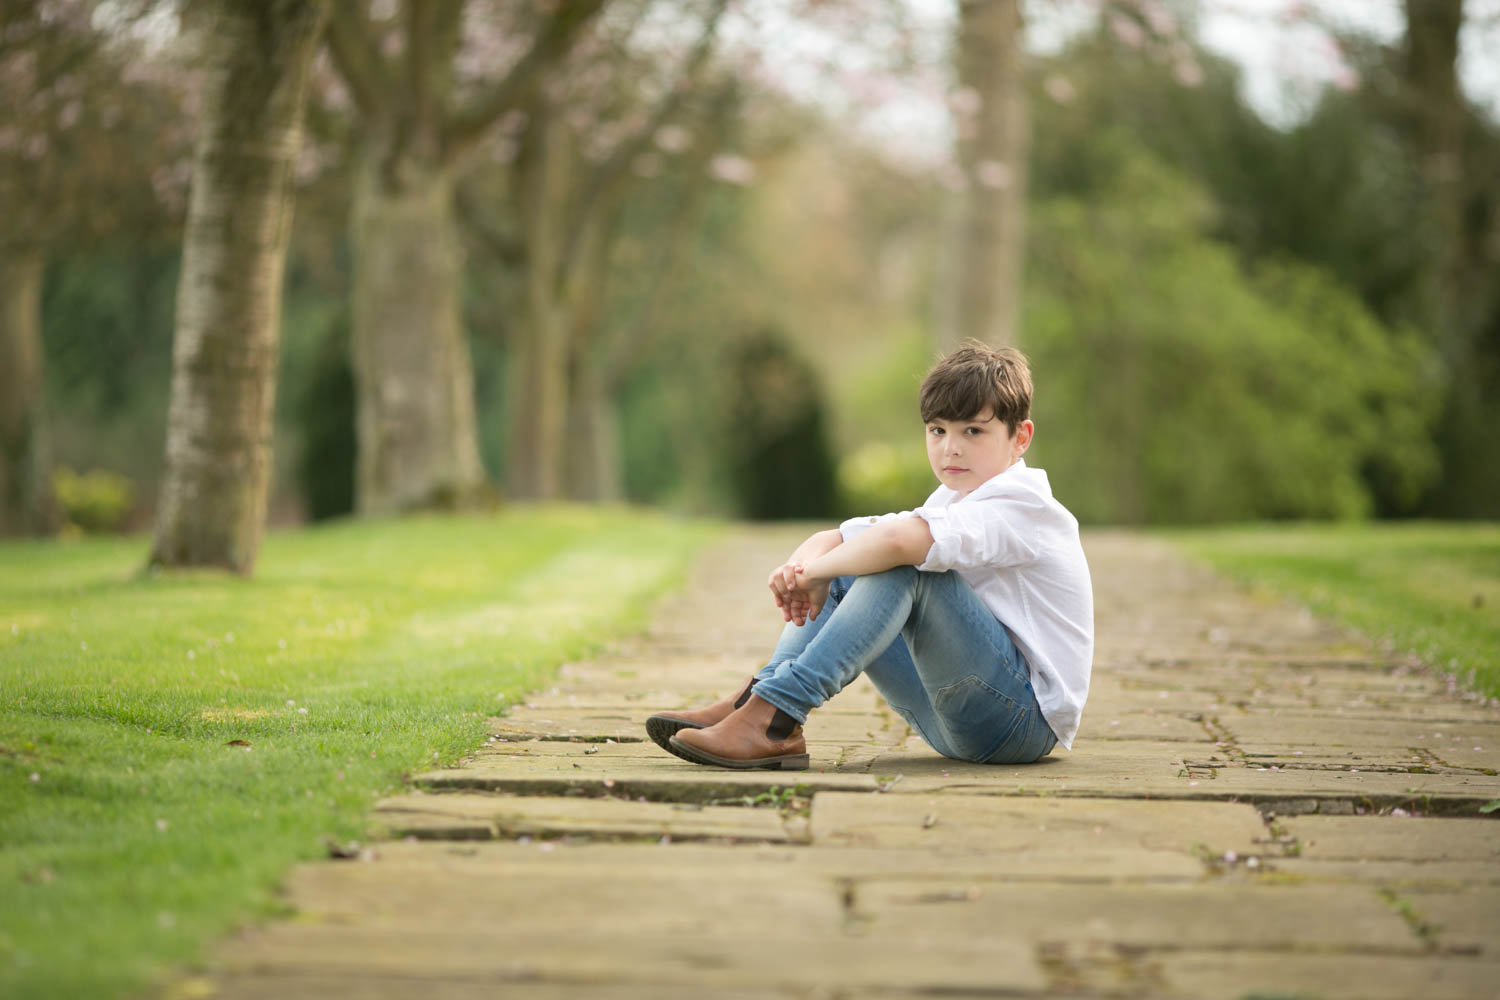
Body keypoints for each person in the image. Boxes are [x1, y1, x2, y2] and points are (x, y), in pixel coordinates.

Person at [645, 342, 1094, 770]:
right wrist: (801, 571)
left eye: (973, 431)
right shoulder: (953, 499)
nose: (950, 448)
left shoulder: (1025, 506)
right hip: (951, 720)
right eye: (938, 431)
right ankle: (755, 703)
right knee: (858, 564)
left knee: (908, 569)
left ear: (1021, 438)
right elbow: (840, 536)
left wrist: (814, 573)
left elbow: (899, 544)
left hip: (1020, 724)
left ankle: (775, 715)